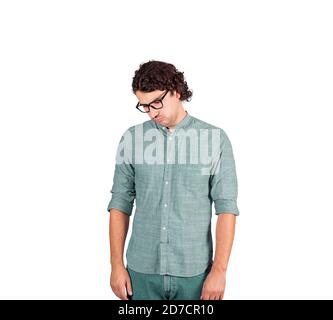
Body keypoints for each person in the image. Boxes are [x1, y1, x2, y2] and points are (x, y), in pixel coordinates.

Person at [107, 60, 239, 300]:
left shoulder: (214, 140)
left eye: (157, 102)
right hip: (141, 272)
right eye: (144, 106)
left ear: (177, 91)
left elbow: (226, 208)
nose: (152, 112)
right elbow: (120, 203)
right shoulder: (132, 139)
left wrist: (219, 271)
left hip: (195, 275)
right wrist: (116, 265)